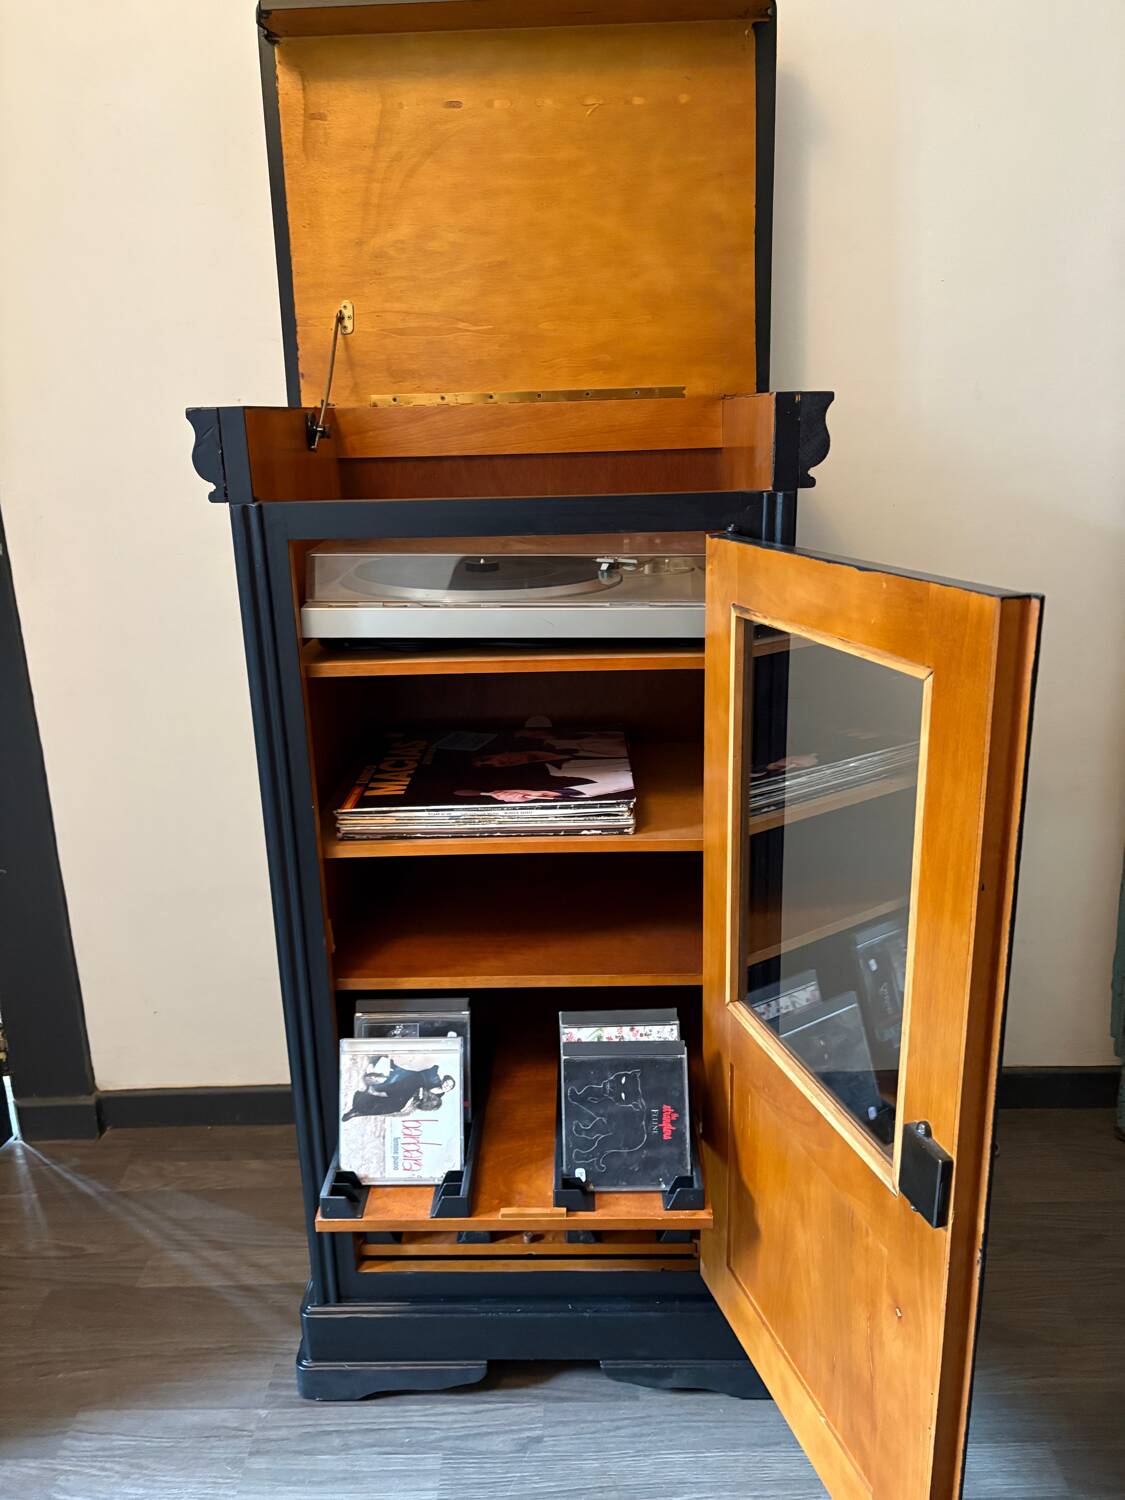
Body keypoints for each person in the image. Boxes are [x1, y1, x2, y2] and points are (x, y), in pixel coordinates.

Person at [342, 1055, 456, 1119]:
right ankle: (362, 1103)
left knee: (396, 1108)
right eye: (447, 1083)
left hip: (408, 1098)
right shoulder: (434, 1078)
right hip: (407, 1085)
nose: (447, 1086)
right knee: (387, 1087)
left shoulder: (439, 1097)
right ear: (444, 1079)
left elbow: (422, 1105)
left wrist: (418, 1098)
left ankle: (357, 1111)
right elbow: (428, 1070)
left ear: (449, 1090)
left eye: (449, 1086)